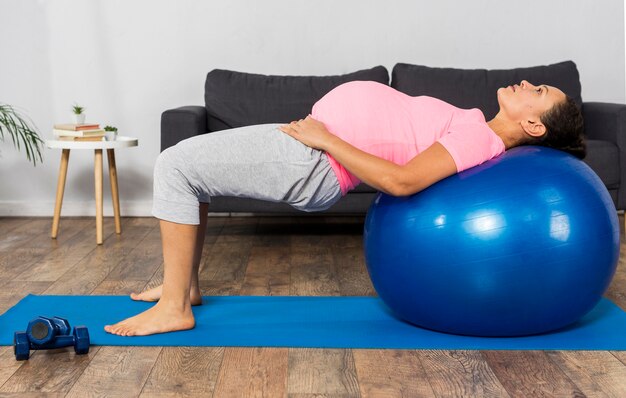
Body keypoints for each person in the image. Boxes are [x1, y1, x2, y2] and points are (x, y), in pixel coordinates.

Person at [104, 79, 585, 336]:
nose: (527, 83)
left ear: (534, 126)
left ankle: (173, 309)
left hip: (313, 160)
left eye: (539, 92)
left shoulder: (479, 139)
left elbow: (401, 181)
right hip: (313, 146)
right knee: (194, 170)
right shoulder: (476, 127)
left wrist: (326, 139)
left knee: (174, 165)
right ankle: (183, 287)